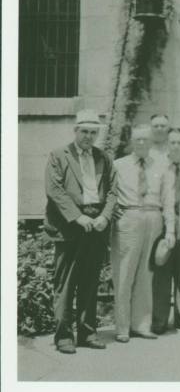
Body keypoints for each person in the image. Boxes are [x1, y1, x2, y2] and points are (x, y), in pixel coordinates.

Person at [44, 109, 116, 354]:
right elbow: (55, 191)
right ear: (75, 131)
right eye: (84, 131)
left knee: (89, 282)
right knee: (65, 284)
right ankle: (64, 336)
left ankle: (87, 332)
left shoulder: (103, 158)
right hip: (69, 228)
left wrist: (105, 216)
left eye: (93, 132)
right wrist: (78, 217)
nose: (88, 136)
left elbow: (114, 191)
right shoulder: (58, 156)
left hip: (96, 227)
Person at [110, 125, 175, 343]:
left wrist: (170, 230)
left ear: (151, 142)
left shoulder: (161, 166)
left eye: (145, 140)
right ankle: (122, 327)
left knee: (147, 276)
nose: (141, 143)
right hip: (129, 218)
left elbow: (168, 200)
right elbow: (107, 193)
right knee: (124, 273)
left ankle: (142, 324)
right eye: (137, 139)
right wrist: (112, 210)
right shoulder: (118, 165)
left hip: (153, 218)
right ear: (130, 141)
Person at [151, 127, 180, 334]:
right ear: (167, 144)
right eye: (172, 142)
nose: (176, 146)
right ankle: (159, 320)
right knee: (162, 270)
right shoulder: (158, 166)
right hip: (163, 222)